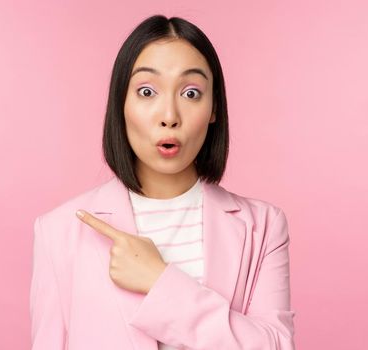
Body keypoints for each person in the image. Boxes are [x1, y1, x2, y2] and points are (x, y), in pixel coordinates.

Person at [29, 15, 296, 350]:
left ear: (214, 108)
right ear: (121, 105)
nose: (169, 115)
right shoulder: (58, 232)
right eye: (146, 91)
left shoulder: (264, 227)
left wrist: (160, 282)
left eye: (191, 92)